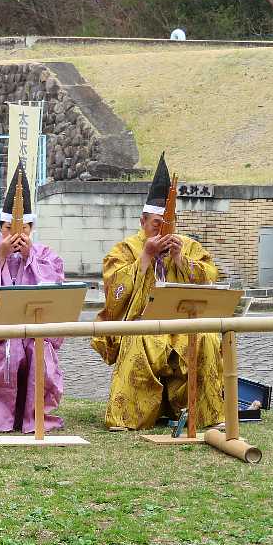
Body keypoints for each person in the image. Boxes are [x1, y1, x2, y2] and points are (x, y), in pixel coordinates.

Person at [93, 152, 223, 431]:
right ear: (143, 221)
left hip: (183, 323)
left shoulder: (187, 246)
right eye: (156, 224)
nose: (163, 231)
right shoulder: (126, 249)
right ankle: (128, 416)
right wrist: (145, 257)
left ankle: (202, 413)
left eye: (169, 224)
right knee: (139, 340)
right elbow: (114, 290)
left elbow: (211, 276)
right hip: (142, 321)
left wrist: (180, 260)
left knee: (207, 338)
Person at [0, 164, 65, 433]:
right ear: (1, 228)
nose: (16, 236)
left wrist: (30, 259)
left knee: (37, 350)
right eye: (9, 229)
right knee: (10, 349)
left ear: (31, 228)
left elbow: (55, 287)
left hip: (33, 332)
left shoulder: (45, 255)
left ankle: (32, 416)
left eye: (24, 229)